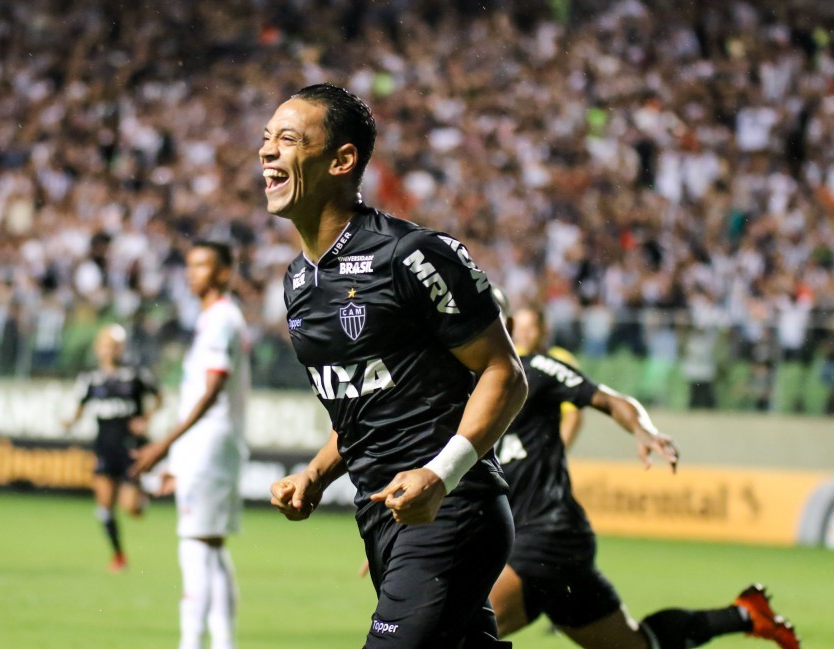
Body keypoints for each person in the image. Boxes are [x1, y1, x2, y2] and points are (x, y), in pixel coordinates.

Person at [262, 83, 528, 648]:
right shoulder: (297, 281)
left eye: (286, 139)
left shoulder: (413, 255)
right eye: (266, 139)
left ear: (342, 160)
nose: (266, 152)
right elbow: (364, 405)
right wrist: (315, 473)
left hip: (452, 509)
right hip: (383, 514)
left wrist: (440, 474)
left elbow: (504, 372)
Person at [488, 303, 800, 649]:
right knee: (638, 646)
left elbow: (608, 399)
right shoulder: (465, 387)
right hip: (541, 540)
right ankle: (745, 615)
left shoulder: (536, 369)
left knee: (463, 628)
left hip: (547, 532)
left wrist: (643, 429)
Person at [131, 240, 250, 649]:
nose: (191, 273)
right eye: (190, 265)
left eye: (202, 266)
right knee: (212, 547)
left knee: (195, 546)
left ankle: (190, 643)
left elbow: (211, 391)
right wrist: (176, 459)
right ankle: (222, 643)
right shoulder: (216, 319)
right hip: (210, 448)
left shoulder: (220, 319)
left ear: (223, 273)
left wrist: (164, 446)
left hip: (210, 447)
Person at [63, 324, 161, 572]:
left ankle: (142, 496)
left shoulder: (135, 375)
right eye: (106, 345)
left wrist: (145, 420)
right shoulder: (90, 379)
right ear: (98, 348)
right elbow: (79, 408)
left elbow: (159, 397)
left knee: (131, 508)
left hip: (130, 448)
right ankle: (118, 555)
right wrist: (69, 422)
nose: (109, 350)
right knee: (104, 507)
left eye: (114, 345)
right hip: (105, 447)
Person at [500, 295, 583, 450]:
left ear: (543, 329)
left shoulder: (560, 360)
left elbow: (573, 415)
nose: (523, 334)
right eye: (519, 328)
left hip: (542, 449)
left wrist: (556, 455)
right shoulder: (508, 358)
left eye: (530, 328)